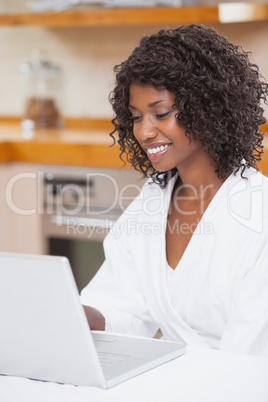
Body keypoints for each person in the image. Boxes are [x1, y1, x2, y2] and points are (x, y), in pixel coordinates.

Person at [81, 24, 268, 356]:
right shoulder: (154, 200)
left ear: (208, 109)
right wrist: (80, 316)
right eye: (136, 117)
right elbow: (122, 304)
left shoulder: (259, 215)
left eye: (161, 113)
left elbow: (247, 358)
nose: (144, 131)